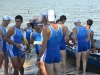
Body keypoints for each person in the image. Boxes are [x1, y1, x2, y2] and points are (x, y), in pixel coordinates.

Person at [36, 9, 69, 75]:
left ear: (47, 17)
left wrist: (38, 59)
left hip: (49, 55)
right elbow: (67, 38)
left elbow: (43, 47)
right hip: (57, 55)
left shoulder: (46, 29)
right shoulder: (62, 27)